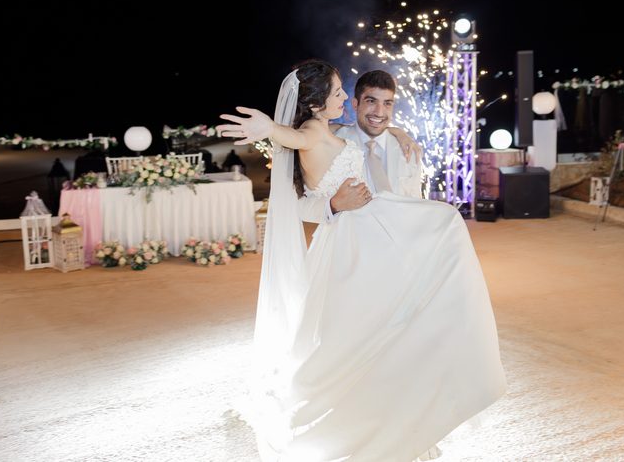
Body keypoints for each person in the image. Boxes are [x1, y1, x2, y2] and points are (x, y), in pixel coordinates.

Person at [217, 60, 506, 462]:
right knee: (359, 328)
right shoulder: (315, 131)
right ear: (320, 103)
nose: (347, 100)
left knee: (421, 285)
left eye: (387, 104)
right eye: (341, 93)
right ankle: (364, 419)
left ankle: (411, 406)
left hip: (383, 227)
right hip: (354, 237)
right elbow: (295, 141)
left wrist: (398, 132)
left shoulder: (372, 138)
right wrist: (268, 129)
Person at [298, 69, 422, 224]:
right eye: (371, 101)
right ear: (355, 104)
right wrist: (333, 205)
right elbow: (298, 206)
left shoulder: (409, 149)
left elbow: (416, 205)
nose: (379, 112)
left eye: (387, 103)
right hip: (348, 236)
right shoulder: (328, 141)